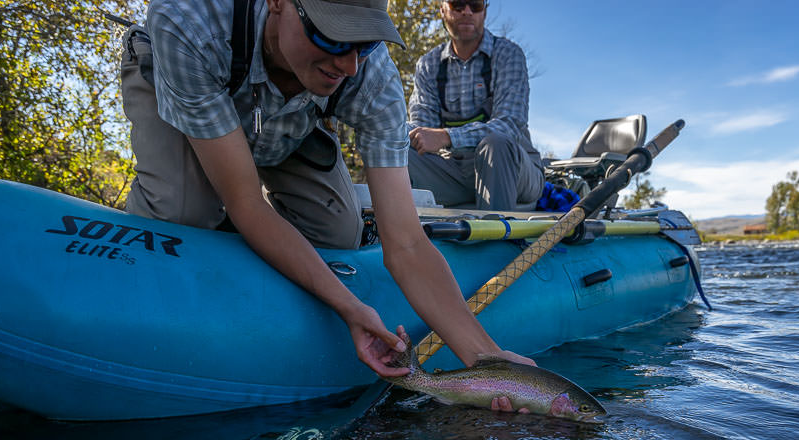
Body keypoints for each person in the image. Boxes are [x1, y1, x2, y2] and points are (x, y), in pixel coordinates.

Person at [119, 0, 532, 380]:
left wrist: (486, 359)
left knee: (339, 233)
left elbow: (406, 242)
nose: (349, 65)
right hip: (188, 81)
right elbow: (244, 201)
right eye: (332, 35)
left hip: (289, 120)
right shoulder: (188, 20)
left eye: (364, 43)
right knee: (185, 211)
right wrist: (347, 305)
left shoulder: (371, 75)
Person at [407, 0, 545, 211]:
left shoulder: (509, 54)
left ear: (485, 12)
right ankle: (401, 237)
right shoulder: (428, 65)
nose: (467, 12)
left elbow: (510, 126)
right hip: (453, 171)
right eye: (458, 5)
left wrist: (447, 136)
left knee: (496, 144)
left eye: (475, 5)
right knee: (393, 149)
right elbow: (422, 135)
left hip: (515, 173)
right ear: (443, 10)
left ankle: (495, 240)